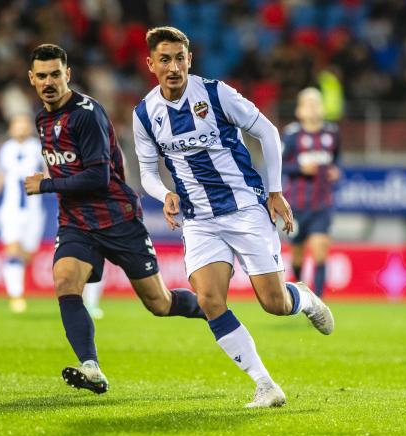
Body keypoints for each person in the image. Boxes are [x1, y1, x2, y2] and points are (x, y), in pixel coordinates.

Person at [134, 26, 334, 408]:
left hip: (244, 209)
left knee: (274, 303)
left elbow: (268, 133)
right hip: (199, 220)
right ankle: (265, 385)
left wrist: (274, 192)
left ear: (189, 60)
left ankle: (304, 298)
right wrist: (166, 194)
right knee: (210, 300)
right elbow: (146, 171)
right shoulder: (145, 114)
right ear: (151, 64)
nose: (173, 66)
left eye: (180, 58)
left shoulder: (215, 94)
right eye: (165, 59)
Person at [24, 43, 206, 395]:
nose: (49, 82)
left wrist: (46, 184)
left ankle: (212, 307)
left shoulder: (86, 114)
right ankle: (90, 367)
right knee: (65, 282)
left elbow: (98, 177)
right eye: (42, 75)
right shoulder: (42, 118)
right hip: (77, 221)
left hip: (117, 218)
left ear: (68, 75)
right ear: (32, 78)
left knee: (160, 303)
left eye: (55, 75)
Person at [281, 88, 341, 297]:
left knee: (320, 249)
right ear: (299, 110)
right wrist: (300, 168)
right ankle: (302, 295)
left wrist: (335, 171)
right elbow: (279, 165)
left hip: (322, 204)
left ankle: (319, 302)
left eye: (317, 102)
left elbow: (336, 159)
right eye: (308, 103)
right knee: (297, 255)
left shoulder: (332, 133)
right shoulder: (292, 135)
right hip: (296, 204)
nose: (313, 107)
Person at [0, 114, 45, 313]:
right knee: (12, 249)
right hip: (11, 209)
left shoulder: (38, 148)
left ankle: (18, 285)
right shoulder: (5, 149)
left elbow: (48, 171)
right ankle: (16, 296)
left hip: (33, 209)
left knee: (27, 255)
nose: (20, 128)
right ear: (11, 128)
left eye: (24, 124)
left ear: (29, 127)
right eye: (17, 124)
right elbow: (1, 175)